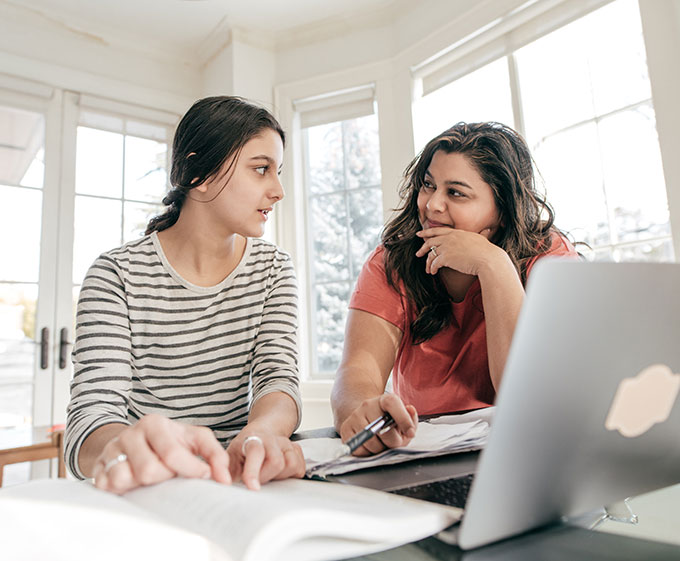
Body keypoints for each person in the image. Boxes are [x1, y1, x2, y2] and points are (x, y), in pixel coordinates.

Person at [65, 96, 305, 494]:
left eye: (277, 171)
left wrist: (260, 433)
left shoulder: (274, 269)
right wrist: (125, 448)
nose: (278, 190)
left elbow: (277, 378)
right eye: (261, 169)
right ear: (201, 173)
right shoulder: (115, 275)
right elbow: (91, 419)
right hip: (144, 488)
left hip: (239, 484)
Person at [331, 121, 578, 456]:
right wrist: (362, 411)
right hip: (426, 452)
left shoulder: (549, 256)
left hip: (529, 451)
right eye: (429, 185)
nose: (432, 205)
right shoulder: (391, 263)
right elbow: (358, 371)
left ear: (503, 209)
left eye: (456, 193)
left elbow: (529, 401)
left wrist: (494, 265)